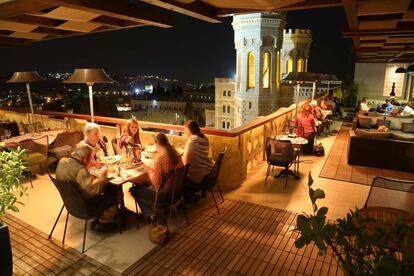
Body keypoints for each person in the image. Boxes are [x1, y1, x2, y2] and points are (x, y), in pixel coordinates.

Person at [55, 144, 121, 232]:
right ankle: (104, 222)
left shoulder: (62, 161)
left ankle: (99, 217)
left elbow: (77, 178)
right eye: (91, 158)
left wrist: (88, 167)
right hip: (85, 206)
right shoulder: (80, 170)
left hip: (71, 202)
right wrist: (103, 176)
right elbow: (93, 191)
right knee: (114, 192)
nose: (92, 160)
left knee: (108, 188)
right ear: (85, 158)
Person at [130, 133, 183, 221]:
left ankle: (151, 215)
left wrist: (148, 170)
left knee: (135, 190)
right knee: (144, 186)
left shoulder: (161, 158)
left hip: (164, 196)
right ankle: (157, 212)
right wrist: (153, 170)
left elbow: (157, 184)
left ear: (157, 144)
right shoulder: (176, 154)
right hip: (177, 192)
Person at [182, 120, 213, 201]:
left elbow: (185, 162)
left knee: (179, 177)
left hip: (200, 177)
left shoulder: (191, 142)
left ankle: (188, 197)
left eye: (185, 130)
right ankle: (194, 193)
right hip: (208, 172)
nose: (184, 132)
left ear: (189, 130)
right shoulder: (204, 138)